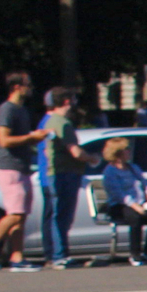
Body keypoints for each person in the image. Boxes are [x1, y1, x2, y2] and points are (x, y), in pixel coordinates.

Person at [0, 72, 41, 271]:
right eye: (28, 84)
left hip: (22, 168)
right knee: (15, 214)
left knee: (21, 216)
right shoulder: (6, 109)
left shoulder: (22, 110)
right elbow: (4, 140)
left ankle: (17, 258)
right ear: (17, 87)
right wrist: (31, 138)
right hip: (9, 169)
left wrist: (33, 142)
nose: (31, 88)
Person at [36, 84, 92, 268]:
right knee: (61, 216)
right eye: (73, 100)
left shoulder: (46, 122)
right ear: (67, 101)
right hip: (63, 174)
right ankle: (59, 255)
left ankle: (53, 255)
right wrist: (92, 158)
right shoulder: (62, 123)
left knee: (54, 215)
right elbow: (75, 152)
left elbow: (45, 150)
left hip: (50, 174)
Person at [96, 136, 147, 264]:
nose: (129, 151)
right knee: (136, 218)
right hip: (120, 205)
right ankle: (135, 254)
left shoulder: (133, 168)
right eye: (126, 149)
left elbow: (146, 184)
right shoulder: (110, 172)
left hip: (139, 203)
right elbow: (118, 194)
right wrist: (135, 206)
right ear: (117, 152)